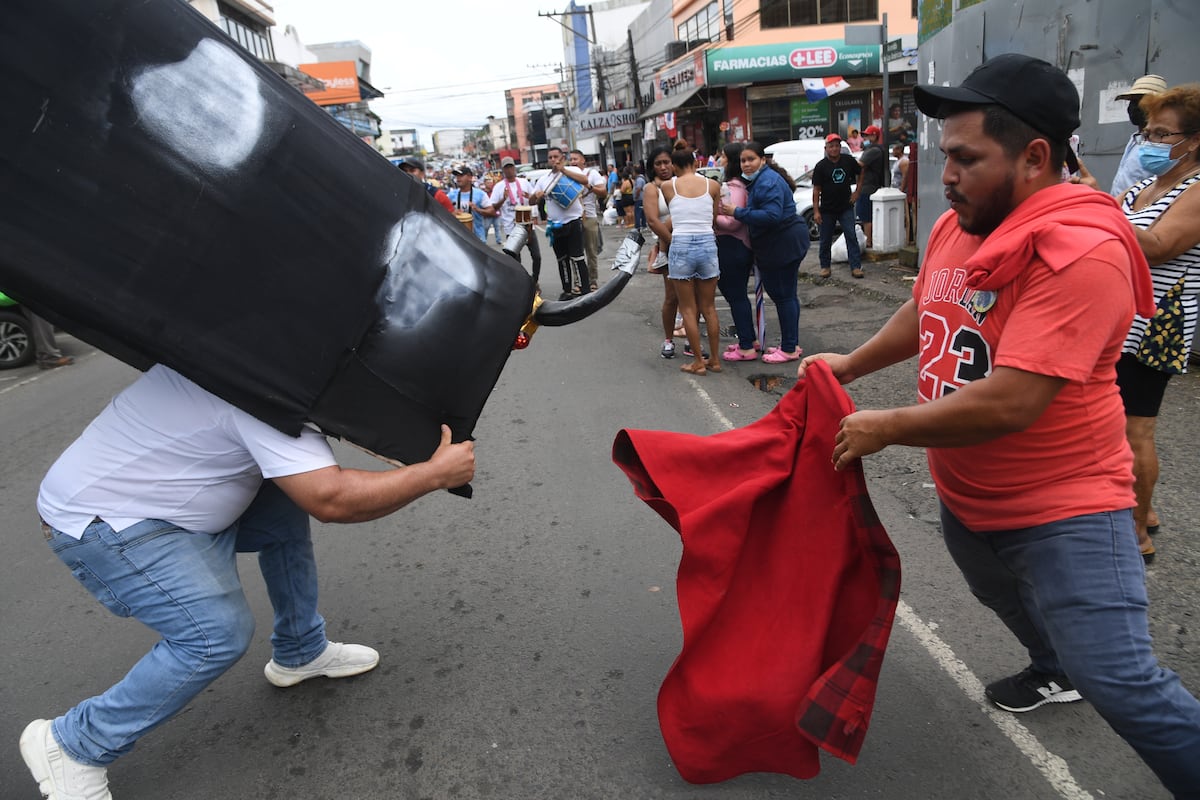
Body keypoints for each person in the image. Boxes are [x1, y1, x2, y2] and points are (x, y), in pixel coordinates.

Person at [797, 53, 1200, 798]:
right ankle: (1053, 671)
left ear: (1035, 156)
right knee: (1003, 598)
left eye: (964, 157)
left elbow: (1015, 400)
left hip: (1066, 510)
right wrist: (851, 365)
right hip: (970, 495)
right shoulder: (965, 221)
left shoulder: (1082, 250)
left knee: (1122, 683)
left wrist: (887, 425)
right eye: (945, 154)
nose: (944, 174)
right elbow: (930, 306)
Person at [20, 364, 476, 800]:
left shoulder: (243, 350)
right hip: (107, 523)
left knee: (283, 505)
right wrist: (433, 475)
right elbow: (333, 499)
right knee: (214, 634)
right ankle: (75, 743)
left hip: (166, 498)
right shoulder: (265, 389)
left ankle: (300, 650)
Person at [1115, 82, 1200, 564]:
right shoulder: (1148, 185)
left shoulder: (1197, 189)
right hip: (1120, 320)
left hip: (1155, 326)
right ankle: (1141, 514)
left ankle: (1138, 532)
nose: (1151, 143)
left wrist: (1096, 213)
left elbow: (1158, 245)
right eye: (1149, 132)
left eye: (1163, 134)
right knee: (1114, 424)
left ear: (1196, 140)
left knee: (1136, 429)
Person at [721, 141, 810, 363]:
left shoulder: (767, 182)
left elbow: (771, 216)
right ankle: (790, 344)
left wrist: (737, 212)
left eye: (751, 159)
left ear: (762, 159)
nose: (746, 164)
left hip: (783, 243)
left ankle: (789, 348)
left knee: (783, 295)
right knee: (786, 295)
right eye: (743, 161)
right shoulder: (762, 180)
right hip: (781, 242)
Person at [659, 140, 722, 375]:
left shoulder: (668, 187)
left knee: (687, 308)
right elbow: (713, 218)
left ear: (674, 165)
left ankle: (698, 361)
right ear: (696, 163)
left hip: (682, 243)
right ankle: (714, 360)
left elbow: (676, 214)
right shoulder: (713, 185)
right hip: (707, 242)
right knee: (709, 307)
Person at [716, 142, 760, 362]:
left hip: (733, 247)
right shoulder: (737, 186)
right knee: (737, 296)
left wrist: (709, 217)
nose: (720, 160)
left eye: (723, 157)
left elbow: (732, 222)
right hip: (733, 247)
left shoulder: (734, 188)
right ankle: (748, 339)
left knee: (736, 297)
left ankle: (746, 346)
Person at [529, 146, 590, 301]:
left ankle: (585, 290)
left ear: (562, 157)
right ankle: (567, 290)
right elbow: (531, 200)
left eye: (556, 157)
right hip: (555, 225)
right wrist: (537, 196)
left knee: (577, 257)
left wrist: (563, 170)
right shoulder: (543, 179)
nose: (553, 160)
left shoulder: (572, 171)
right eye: (550, 157)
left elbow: (585, 181)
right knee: (562, 259)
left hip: (573, 222)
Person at [643, 146, 681, 360]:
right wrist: (670, 241)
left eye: (667, 162)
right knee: (672, 297)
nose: (664, 167)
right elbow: (652, 220)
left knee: (694, 298)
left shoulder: (681, 183)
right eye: (658, 163)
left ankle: (691, 341)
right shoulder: (652, 188)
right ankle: (668, 340)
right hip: (669, 247)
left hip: (690, 245)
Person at [812, 133, 863, 279]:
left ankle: (856, 266)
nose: (834, 149)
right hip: (827, 209)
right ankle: (825, 266)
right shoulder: (821, 166)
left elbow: (861, 171)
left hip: (845, 207)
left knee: (851, 236)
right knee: (825, 239)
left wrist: (857, 192)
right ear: (826, 148)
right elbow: (816, 190)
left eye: (837, 146)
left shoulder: (848, 161)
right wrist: (816, 211)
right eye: (831, 146)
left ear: (840, 147)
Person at [1112, 74, 1168, 197]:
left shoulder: (1162, 145)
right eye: (1132, 102)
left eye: (1141, 102)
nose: (1133, 108)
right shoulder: (1135, 139)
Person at [489, 156, 542, 286]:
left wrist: (530, 197)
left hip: (528, 227)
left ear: (514, 167)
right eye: (506, 168)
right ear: (503, 170)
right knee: (515, 261)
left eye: (511, 167)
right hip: (511, 228)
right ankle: (522, 284)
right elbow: (493, 208)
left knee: (537, 256)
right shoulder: (499, 187)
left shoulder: (524, 183)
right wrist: (503, 198)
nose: (509, 170)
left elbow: (534, 201)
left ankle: (534, 281)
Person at [569, 149, 608, 292]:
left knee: (591, 251)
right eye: (571, 159)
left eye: (576, 159)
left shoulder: (592, 174)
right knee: (575, 253)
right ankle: (578, 282)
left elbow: (603, 192)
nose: (573, 162)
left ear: (583, 160)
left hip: (590, 216)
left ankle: (592, 280)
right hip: (573, 218)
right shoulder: (567, 175)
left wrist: (589, 186)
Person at [856, 124, 888, 250]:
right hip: (869, 186)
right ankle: (868, 240)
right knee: (866, 216)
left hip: (868, 187)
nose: (866, 137)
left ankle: (868, 241)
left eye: (868, 135)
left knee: (866, 217)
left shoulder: (874, 150)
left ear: (874, 136)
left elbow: (860, 164)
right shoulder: (872, 149)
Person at [446, 166, 497, 243]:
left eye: (461, 175)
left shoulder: (480, 194)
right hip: (458, 238)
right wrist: (451, 212)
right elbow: (440, 210)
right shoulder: (451, 195)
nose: (458, 178)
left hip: (478, 238)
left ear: (470, 177)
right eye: (457, 176)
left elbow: (492, 212)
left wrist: (477, 209)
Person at [482, 173, 504, 244]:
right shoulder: (483, 192)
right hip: (487, 214)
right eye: (488, 182)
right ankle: (483, 240)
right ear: (485, 183)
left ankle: (499, 240)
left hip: (496, 213)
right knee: (486, 228)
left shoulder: (495, 191)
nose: (490, 184)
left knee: (497, 227)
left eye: (490, 182)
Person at [632, 165, 647, 230]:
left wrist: (636, 196)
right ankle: (643, 225)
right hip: (641, 198)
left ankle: (638, 226)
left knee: (637, 212)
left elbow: (638, 189)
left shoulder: (639, 179)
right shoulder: (640, 178)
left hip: (639, 198)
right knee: (642, 212)